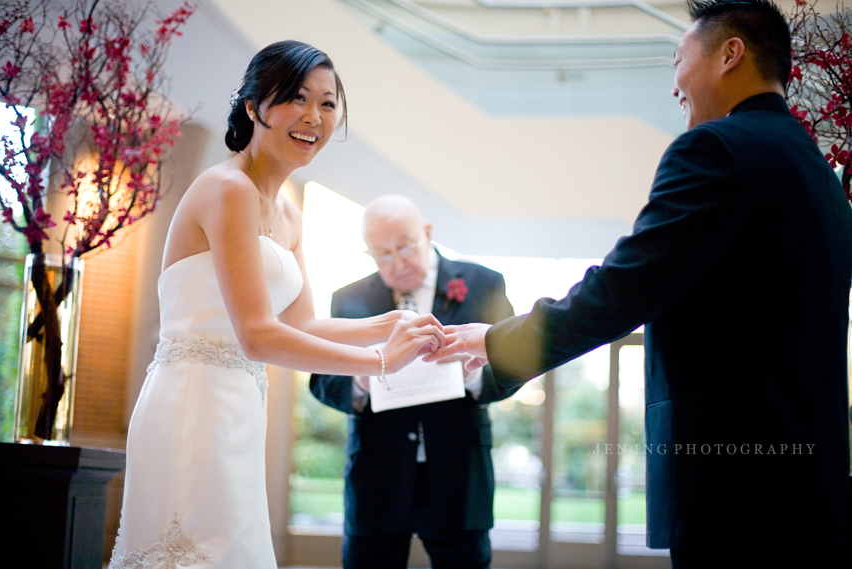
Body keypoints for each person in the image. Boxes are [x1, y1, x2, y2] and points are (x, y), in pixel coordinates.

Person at [426, 1, 852, 567]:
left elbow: (623, 287)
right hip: (813, 488)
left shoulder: (716, 150)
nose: (674, 82)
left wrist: (493, 341)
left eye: (679, 58)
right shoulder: (821, 174)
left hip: (737, 493)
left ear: (730, 54)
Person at [109, 42, 444, 569]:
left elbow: (303, 323)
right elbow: (258, 336)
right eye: (295, 98)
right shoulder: (228, 189)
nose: (314, 117)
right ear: (252, 106)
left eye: (328, 104)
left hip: (240, 406)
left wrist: (389, 323)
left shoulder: (288, 213)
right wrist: (381, 361)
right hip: (192, 402)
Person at [310, 195, 521, 569]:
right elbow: (322, 381)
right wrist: (360, 378)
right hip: (377, 476)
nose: (398, 262)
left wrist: (473, 375)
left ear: (427, 233)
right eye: (382, 253)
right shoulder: (348, 299)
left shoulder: (484, 283)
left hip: (459, 472)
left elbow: (515, 366)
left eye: (405, 246)